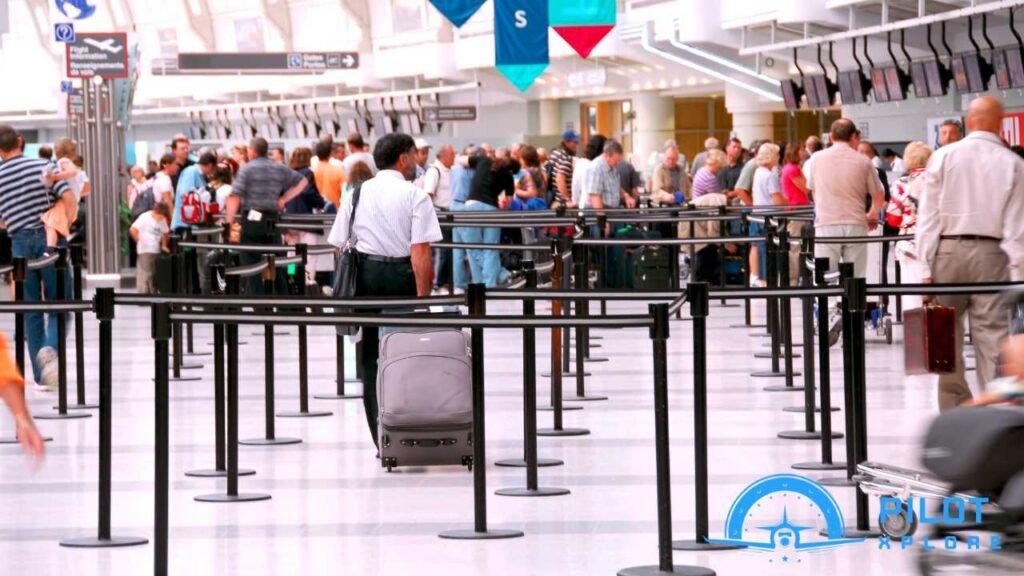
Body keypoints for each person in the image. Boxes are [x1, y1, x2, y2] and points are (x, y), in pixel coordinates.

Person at [326, 132, 441, 448]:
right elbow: (420, 252)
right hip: (401, 275)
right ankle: (404, 431)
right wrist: (423, 300)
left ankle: (380, 436)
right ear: (403, 158)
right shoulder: (414, 195)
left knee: (370, 357)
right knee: (404, 352)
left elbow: (339, 243)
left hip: (365, 277)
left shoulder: (357, 193)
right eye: (415, 155)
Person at [916, 96, 1024, 410]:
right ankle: (996, 414)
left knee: (945, 335)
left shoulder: (944, 156)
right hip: (993, 253)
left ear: (969, 121)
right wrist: (1018, 277)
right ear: (1000, 123)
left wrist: (924, 267)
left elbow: (928, 216)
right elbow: (1017, 228)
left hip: (947, 251)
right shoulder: (1013, 163)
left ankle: (953, 409)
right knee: (992, 336)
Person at [0, 125, 75, 390]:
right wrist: (69, 219)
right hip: (50, 239)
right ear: (20, 141)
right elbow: (66, 195)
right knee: (61, 304)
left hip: (19, 245)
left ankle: (41, 377)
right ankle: (50, 349)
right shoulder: (42, 165)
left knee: (30, 309)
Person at [810, 119, 885, 346]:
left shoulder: (816, 159)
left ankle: (828, 315)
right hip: (855, 224)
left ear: (831, 137)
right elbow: (878, 195)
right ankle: (851, 321)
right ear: (854, 137)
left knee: (825, 275)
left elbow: (813, 191)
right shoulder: (863, 161)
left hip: (826, 224)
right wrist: (871, 214)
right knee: (855, 277)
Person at [224, 137, 309, 294]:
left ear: (253, 151)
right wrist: (283, 199)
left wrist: (228, 224)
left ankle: (260, 303)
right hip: (272, 219)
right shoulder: (278, 167)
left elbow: (234, 196)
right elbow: (303, 181)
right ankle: (284, 300)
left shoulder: (247, 169)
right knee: (276, 259)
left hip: (252, 219)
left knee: (250, 261)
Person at [883, 141, 931, 310]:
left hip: (910, 245)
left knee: (912, 301)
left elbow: (893, 219)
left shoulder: (901, 184)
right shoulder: (939, 180)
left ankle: (915, 334)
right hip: (938, 245)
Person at [464, 155, 520, 286]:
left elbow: (462, 161)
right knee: (491, 248)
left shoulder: (483, 160)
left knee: (473, 248)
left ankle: (479, 285)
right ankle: (491, 282)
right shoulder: (508, 175)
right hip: (492, 209)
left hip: (472, 205)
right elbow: (509, 202)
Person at [748, 143, 786, 287]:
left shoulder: (758, 172)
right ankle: (765, 280)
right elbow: (776, 198)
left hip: (757, 214)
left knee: (756, 246)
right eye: (777, 154)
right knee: (766, 249)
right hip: (769, 217)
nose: (779, 157)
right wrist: (787, 204)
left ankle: (755, 276)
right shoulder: (770, 176)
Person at [421, 145, 454, 292]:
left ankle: (445, 281)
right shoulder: (434, 171)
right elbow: (428, 194)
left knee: (449, 251)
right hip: (440, 215)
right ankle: (438, 282)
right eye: (452, 155)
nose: (454, 157)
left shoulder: (449, 171)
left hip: (450, 215)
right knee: (442, 251)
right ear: (443, 156)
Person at [449, 146, 481, 293]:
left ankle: (459, 284)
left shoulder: (454, 169)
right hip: (466, 208)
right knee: (472, 248)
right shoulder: (473, 171)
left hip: (453, 207)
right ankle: (478, 283)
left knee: (457, 249)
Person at [780, 142, 812, 283]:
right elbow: (806, 188)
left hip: (799, 209)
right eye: (802, 149)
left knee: (798, 246)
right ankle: (793, 280)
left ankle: (796, 279)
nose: (804, 151)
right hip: (796, 211)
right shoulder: (792, 169)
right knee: (795, 247)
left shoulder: (793, 168)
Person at [129, 202, 170, 294]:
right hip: (145, 250)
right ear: (155, 212)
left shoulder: (162, 219)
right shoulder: (144, 217)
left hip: (155, 250)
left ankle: (153, 293)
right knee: (145, 273)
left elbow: (165, 232)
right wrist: (139, 240)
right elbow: (132, 229)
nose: (161, 219)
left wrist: (164, 245)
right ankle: (143, 294)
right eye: (160, 216)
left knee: (154, 273)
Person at [171, 152, 216, 232]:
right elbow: (184, 195)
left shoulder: (200, 175)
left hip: (193, 222)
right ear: (210, 165)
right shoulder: (191, 172)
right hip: (184, 222)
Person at [585, 140, 627, 217]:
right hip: (598, 212)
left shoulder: (612, 167)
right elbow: (595, 196)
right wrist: (601, 218)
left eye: (619, 161)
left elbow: (615, 186)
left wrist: (626, 196)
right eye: (615, 160)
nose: (617, 163)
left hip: (612, 211)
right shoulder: (596, 168)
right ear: (606, 155)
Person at [548, 129, 580, 208]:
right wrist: (567, 199)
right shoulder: (566, 158)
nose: (576, 145)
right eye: (574, 142)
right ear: (566, 142)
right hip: (562, 203)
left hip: (553, 199)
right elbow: (560, 178)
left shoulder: (554, 154)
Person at [572, 134, 605, 209]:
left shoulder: (580, 163)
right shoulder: (598, 165)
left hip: (584, 205)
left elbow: (575, 185)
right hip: (598, 205)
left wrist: (575, 201)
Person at [512, 145, 548, 211]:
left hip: (530, 210)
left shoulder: (528, 173)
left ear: (525, 159)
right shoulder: (542, 172)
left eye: (520, 158)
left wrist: (517, 191)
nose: (520, 160)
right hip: (542, 207)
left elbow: (532, 193)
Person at [313, 141, 345, 208]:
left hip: (316, 212)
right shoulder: (338, 171)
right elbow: (345, 193)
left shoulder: (312, 171)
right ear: (330, 153)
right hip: (334, 210)